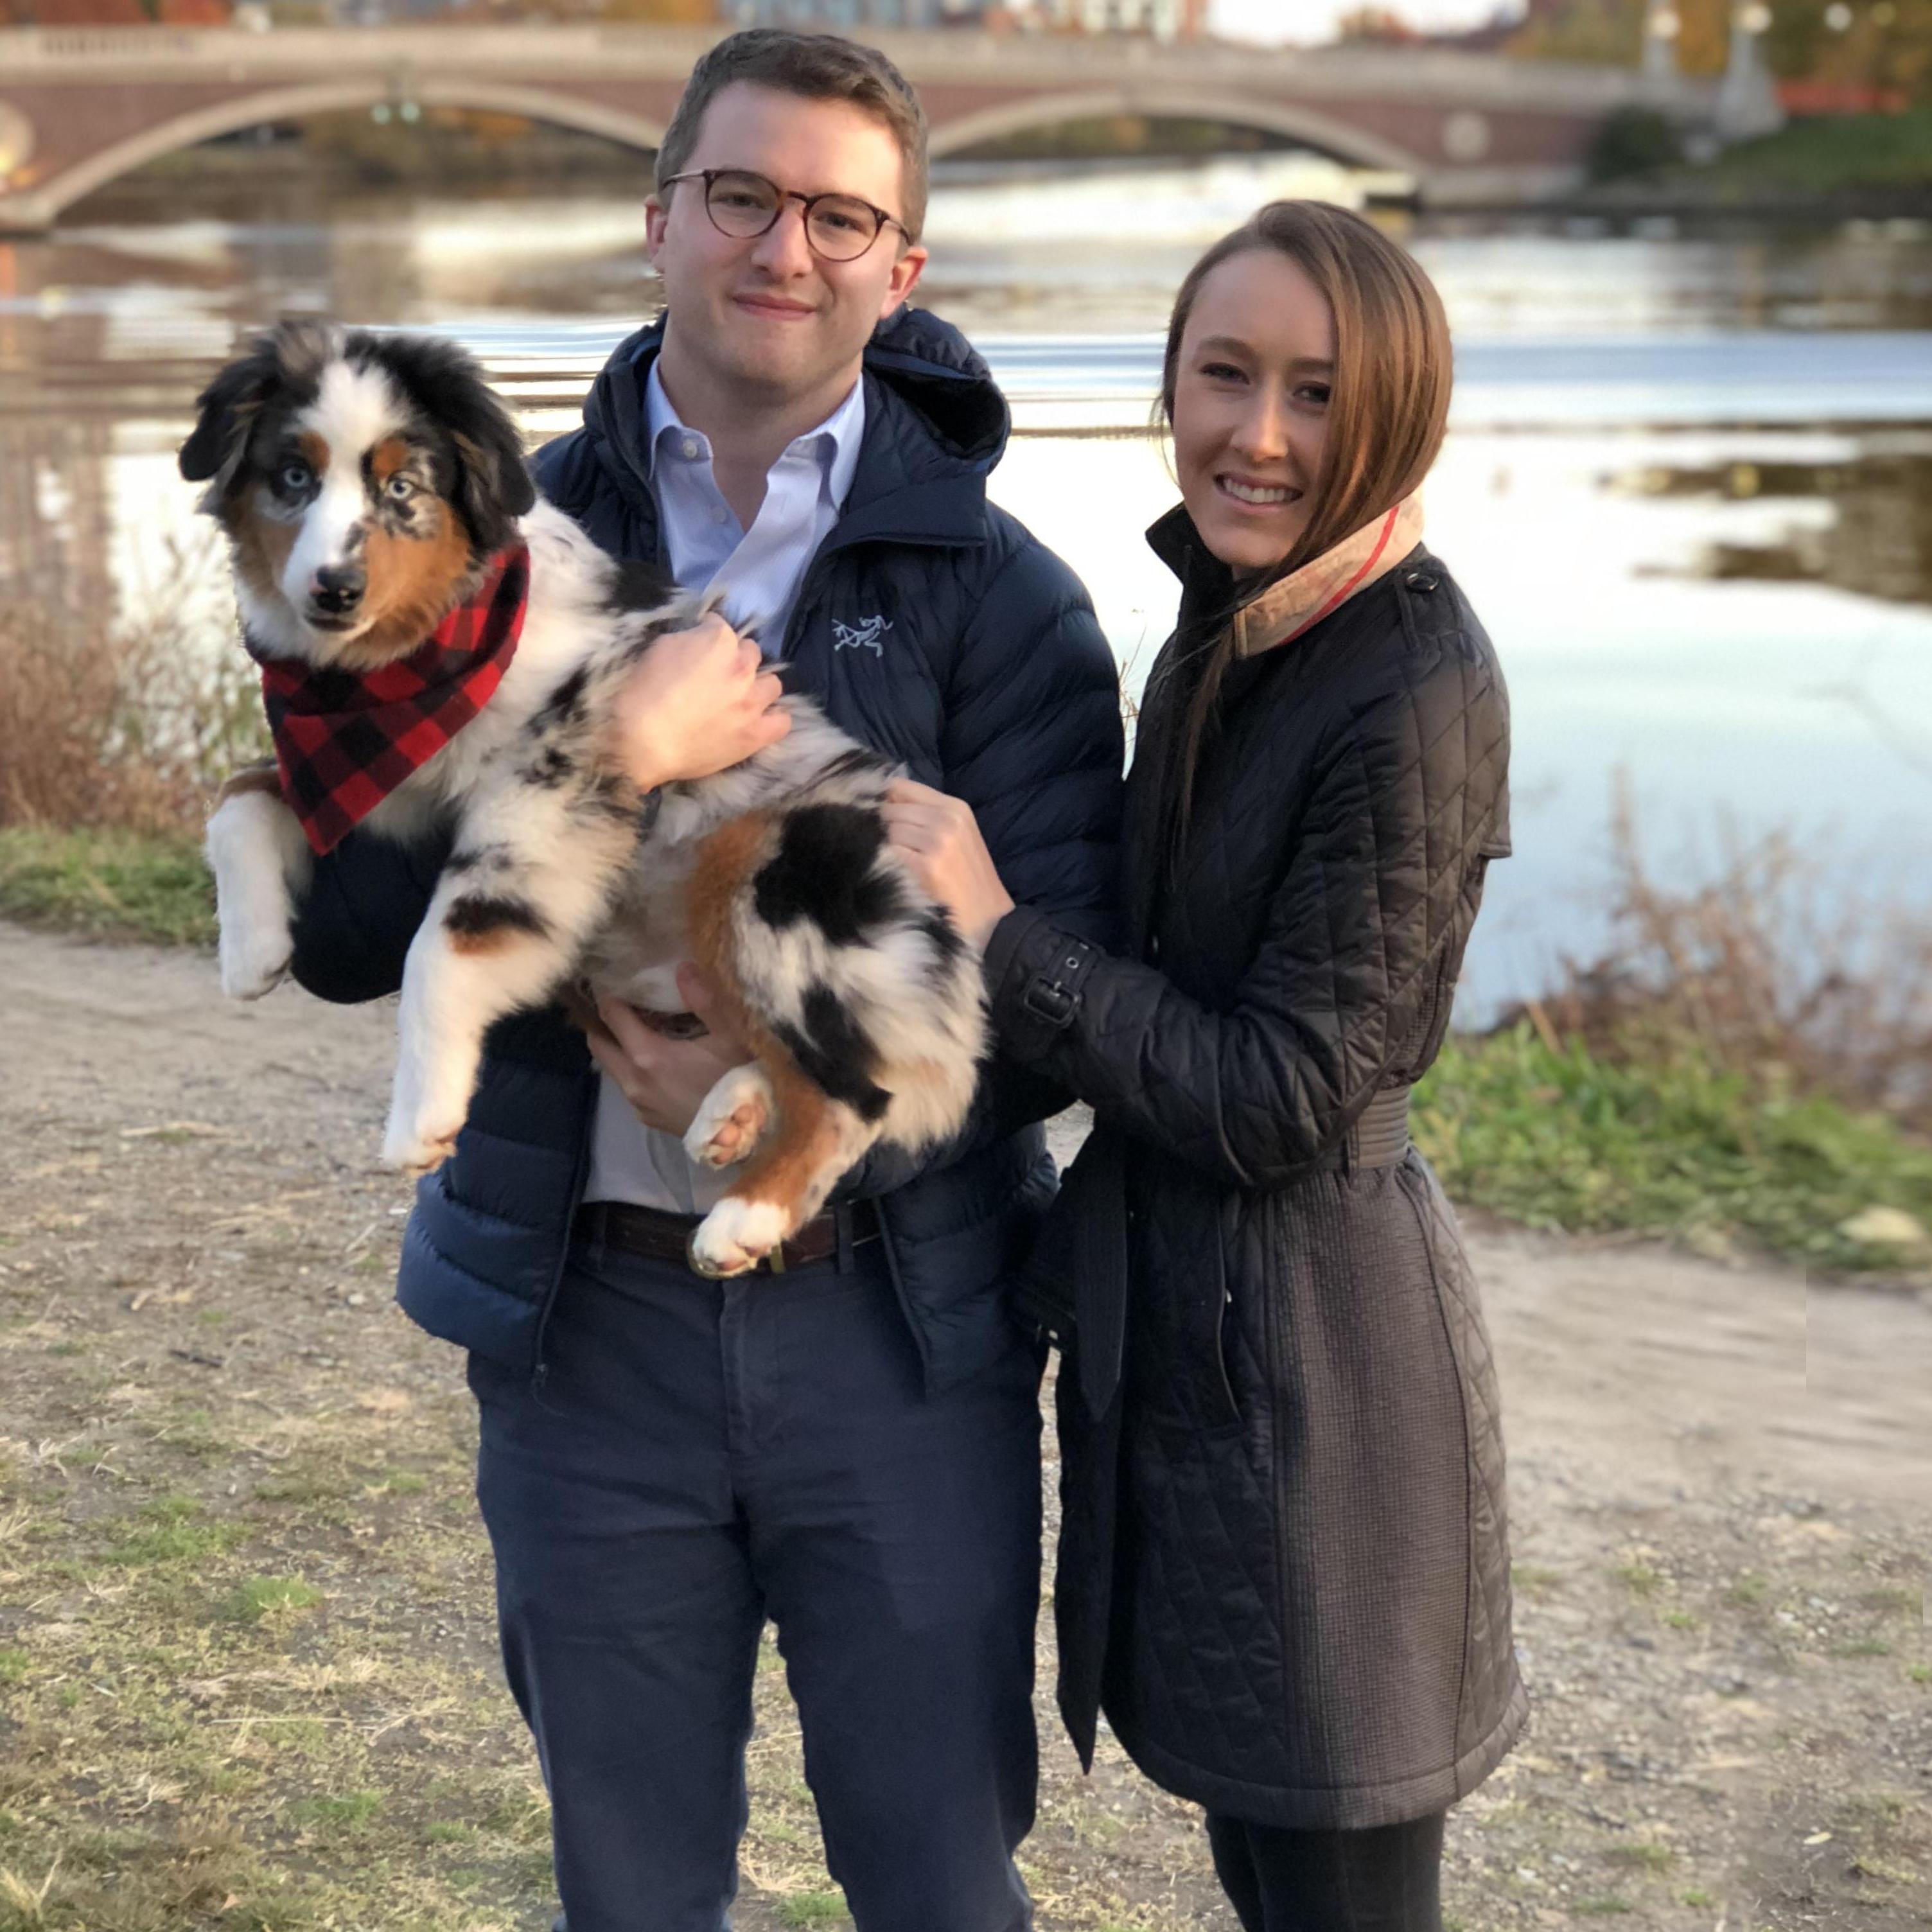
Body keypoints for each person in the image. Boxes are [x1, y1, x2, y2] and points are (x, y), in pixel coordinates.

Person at [288, 28, 1124, 1932]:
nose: (786, 247)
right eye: (742, 195)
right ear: (656, 214)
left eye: (843, 214)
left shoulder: (1005, 597)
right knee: (637, 1889)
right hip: (588, 1338)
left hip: (902, 1343)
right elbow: (346, 938)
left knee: (936, 1882)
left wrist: (781, 1105)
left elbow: (1056, 1011)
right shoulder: (481, 542)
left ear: (902, 268)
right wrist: (609, 764)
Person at [886, 200, 1526, 1932]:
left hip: (1323, 1373)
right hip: (1216, 1340)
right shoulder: (1240, 623)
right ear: (1167, 384)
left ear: (1397, 410)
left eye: (1315, 393)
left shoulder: (1409, 685)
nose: (1259, 433)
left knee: (1338, 1876)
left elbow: (1284, 1094)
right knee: (1266, 1855)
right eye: (1224, 374)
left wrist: (1003, 935)